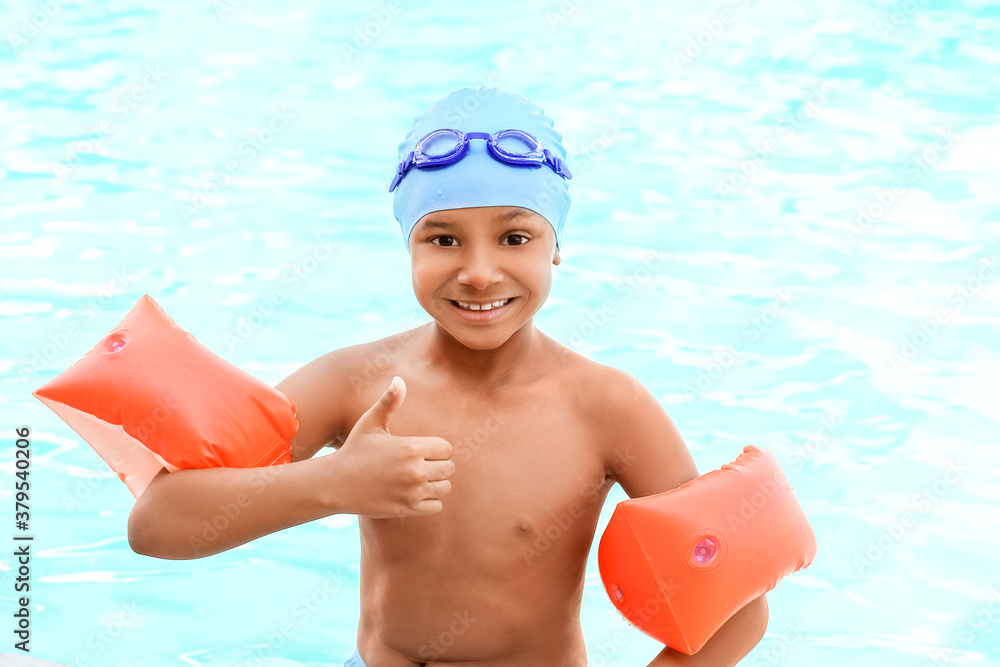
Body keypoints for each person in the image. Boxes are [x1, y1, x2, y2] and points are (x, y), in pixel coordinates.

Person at [127, 87, 769, 666]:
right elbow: (157, 524)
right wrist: (331, 483)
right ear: (408, 245)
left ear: (557, 247)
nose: (480, 272)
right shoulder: (356, 381)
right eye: (443, 240)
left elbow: (738, 607)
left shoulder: (607, 407)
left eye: (515, 238)